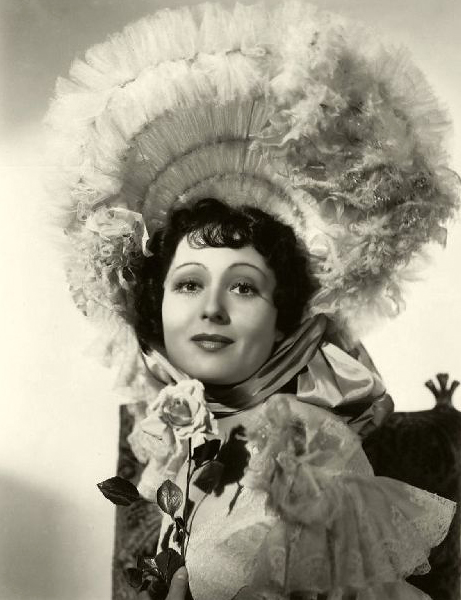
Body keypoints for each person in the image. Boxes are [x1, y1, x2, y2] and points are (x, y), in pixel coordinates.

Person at [45, 1, 459, 598]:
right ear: (158, 306)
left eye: (243, 286)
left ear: (282, 320)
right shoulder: (177, 441)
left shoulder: (306, 444)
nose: (212, 308)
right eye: (188, 284)